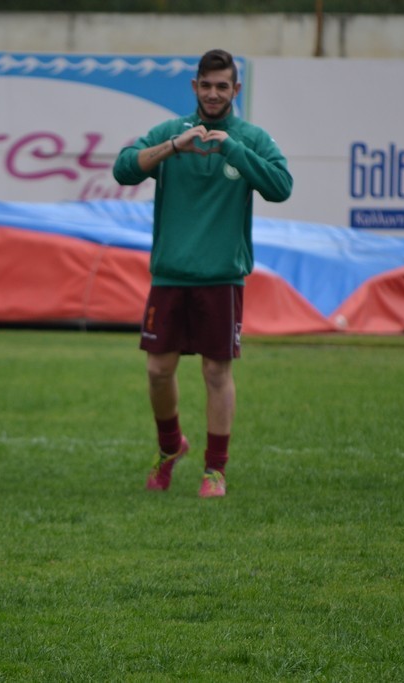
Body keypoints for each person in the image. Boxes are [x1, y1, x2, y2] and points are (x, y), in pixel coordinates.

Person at [112, 48, 293, 498]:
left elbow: (281, 188)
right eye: (206, 85)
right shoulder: (171, 132)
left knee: (216, 371)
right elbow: (123, 169)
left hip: (221, 276)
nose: (213, 94)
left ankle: (215, 470)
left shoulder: (250, 138)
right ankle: (170, 446)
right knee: (158, 370)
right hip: (170, 274)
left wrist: (231, 147)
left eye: (222, 86)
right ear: (195, 87)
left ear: (236, 89)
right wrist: (175, 147)